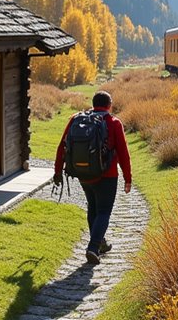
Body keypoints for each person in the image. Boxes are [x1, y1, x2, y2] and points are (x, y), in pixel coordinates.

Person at [54, 90, 132, 265]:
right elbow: (123, 153)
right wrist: (127, 178)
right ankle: (93, 247)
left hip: (83, 174)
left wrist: (58, 171)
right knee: (104, 211)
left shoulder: (76, 119)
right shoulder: (113, 122)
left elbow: (62, 146)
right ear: (109, 105)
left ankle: (100, 243)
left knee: (93, 209)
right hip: (107, 175)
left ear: (93, 103)